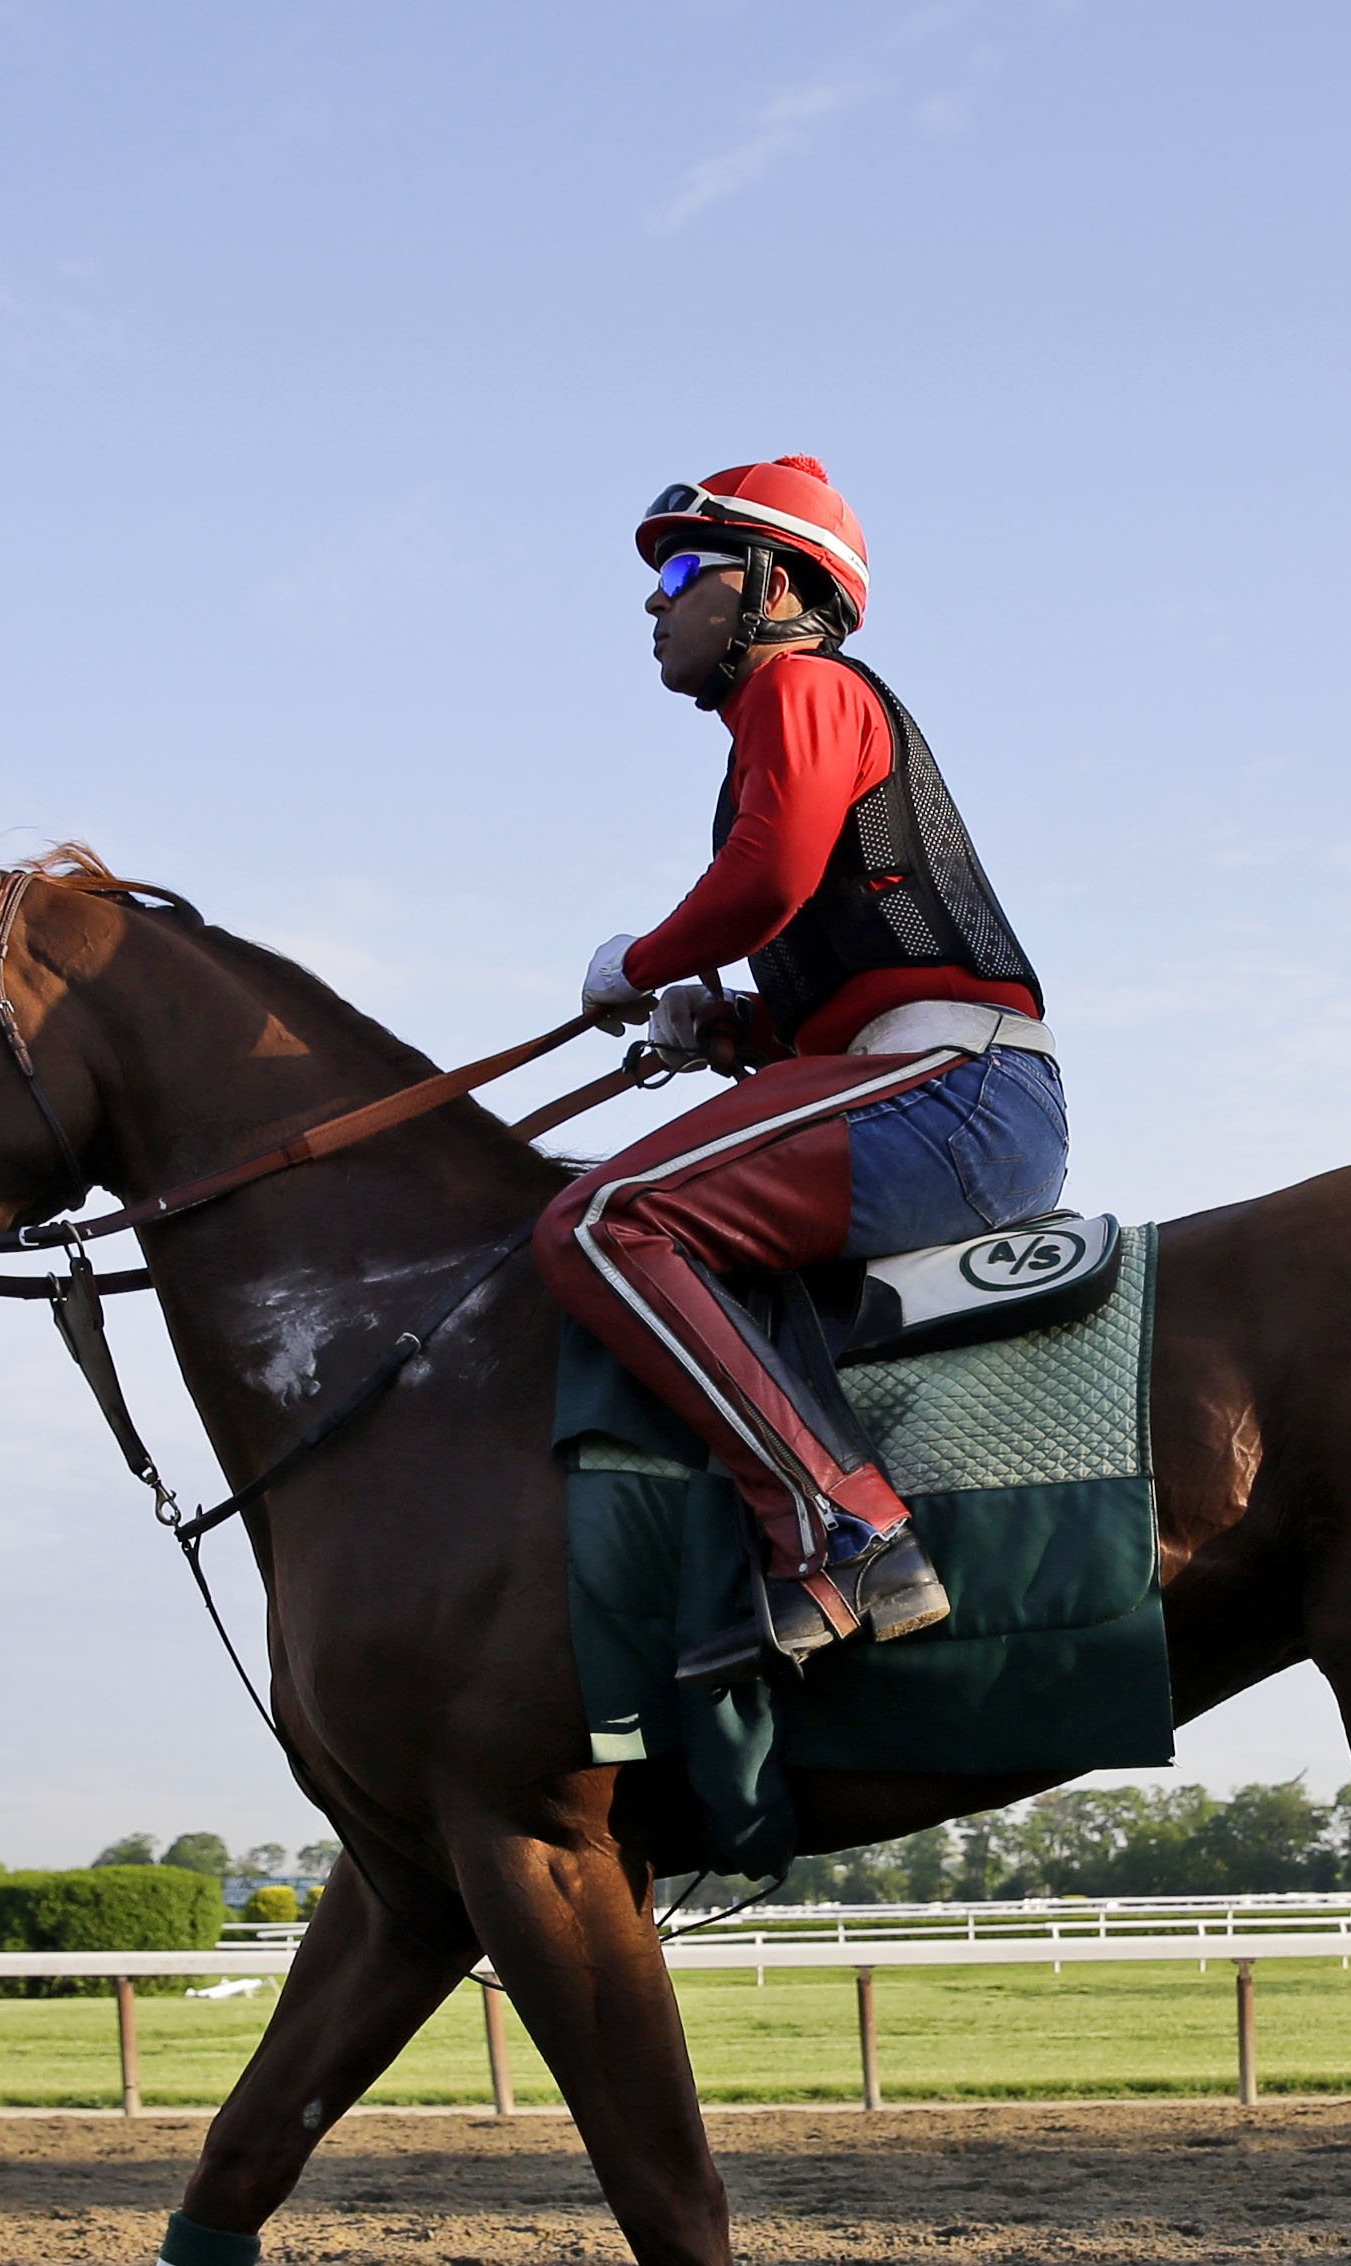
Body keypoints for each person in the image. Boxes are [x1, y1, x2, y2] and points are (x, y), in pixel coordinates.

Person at [537, 457, 1066, 1688]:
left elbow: (768, 880)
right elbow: (834, 981)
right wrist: (723, 1031)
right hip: (931, 1078)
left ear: (772, 584)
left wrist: (639, 962)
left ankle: (846, 1525)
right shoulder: (774, 736)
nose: (654, 602)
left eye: (679, 569)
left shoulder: (802, 685)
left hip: (953, 1088)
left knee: (605, 1221)